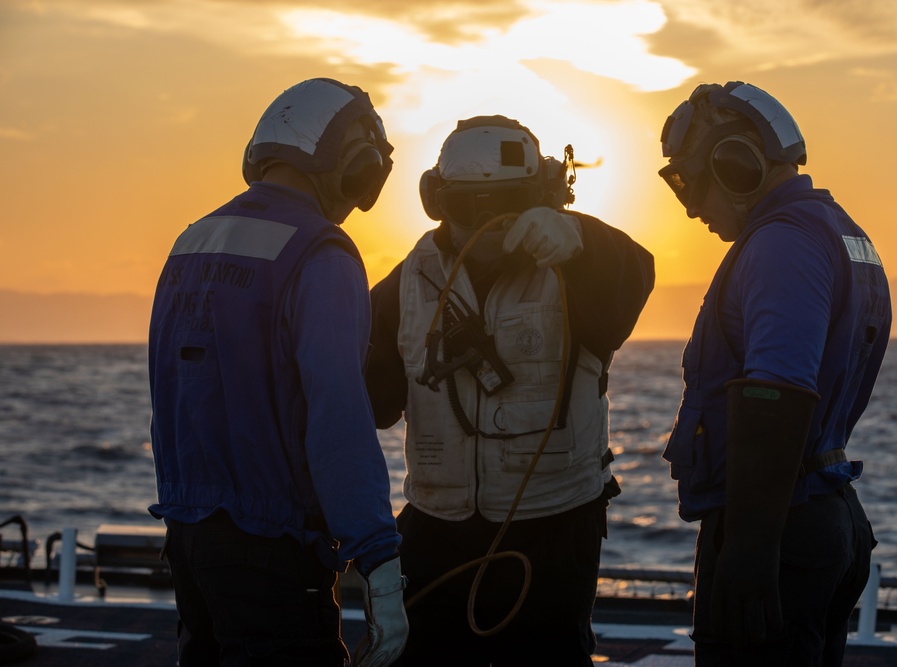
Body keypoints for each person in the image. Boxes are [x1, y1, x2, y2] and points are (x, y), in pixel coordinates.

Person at [365, 115, 654, 666]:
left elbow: (632, 278)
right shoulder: (405, 284)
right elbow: (372, 404)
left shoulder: (577, 267)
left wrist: (582, 240)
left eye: (507, 201)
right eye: (467, 205)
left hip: (554, 528)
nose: (488, 222)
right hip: (437, 530)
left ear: (543, 194)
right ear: (436, 200)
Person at [147, 78, 408, 667]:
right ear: (349, 162)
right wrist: (378, 555)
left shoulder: (191, 243)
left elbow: (173, 399)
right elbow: (337, 413)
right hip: (274, 551)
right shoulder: (320, 252)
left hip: (189, 540)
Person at [657, 80, 892, 666]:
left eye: (688, 181)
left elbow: (777, 393)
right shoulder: (835, 231)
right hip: (821, 513)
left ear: (735, 165)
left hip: (779, 533)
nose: (688, 207)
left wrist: (750, 548)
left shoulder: (781, 245)